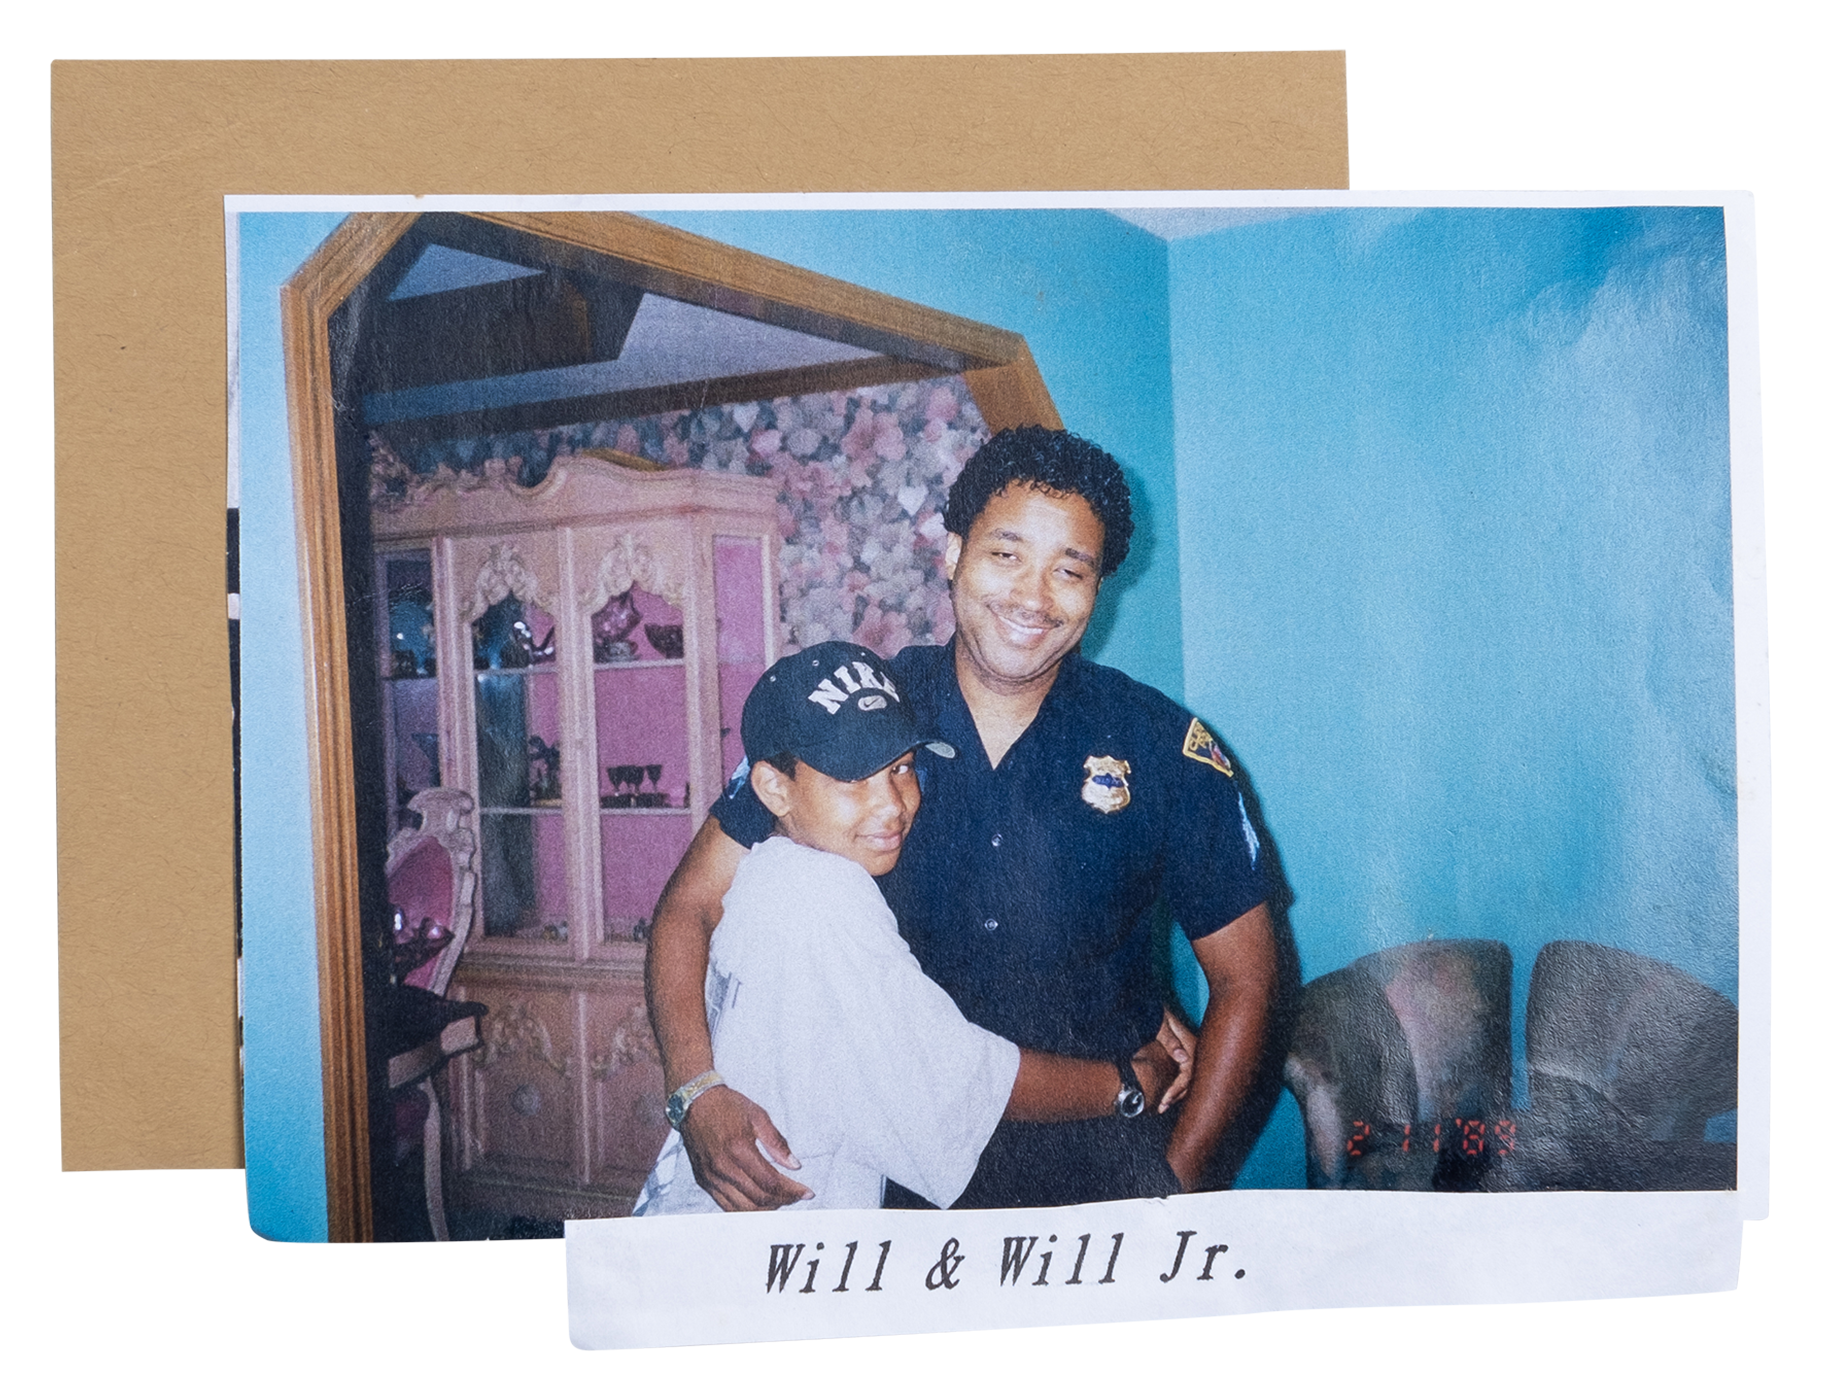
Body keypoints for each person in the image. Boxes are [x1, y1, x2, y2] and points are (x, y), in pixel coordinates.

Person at [647, 425, 1279, 1211]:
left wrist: (1173, 1188)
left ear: (1099, 588)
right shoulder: (853, 717)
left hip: (1105, 1175)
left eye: (1069, 569)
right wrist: (695, 1090)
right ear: (953, 554)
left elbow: (1248, 978)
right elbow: (689, 904)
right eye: (1006, 554)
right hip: (891, 1186)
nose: (1032, 597)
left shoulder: (1163, 747)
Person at [634, 640, 1182, 1214]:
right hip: (765, 1247)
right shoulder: (825, 898)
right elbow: (958, 1085)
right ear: (774, 788)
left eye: (901, 768)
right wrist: (1130, 1083)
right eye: (853, 780)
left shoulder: (768, 872)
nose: (891, 804)